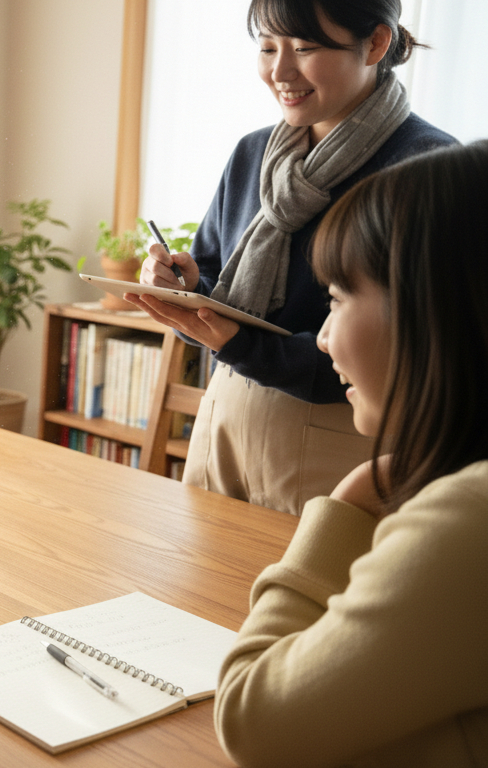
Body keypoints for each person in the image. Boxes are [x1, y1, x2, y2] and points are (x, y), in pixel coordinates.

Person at [214, 141, 488, 766]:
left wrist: (344, 508)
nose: (326, 337)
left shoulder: (471, 518)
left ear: (432, 309)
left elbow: (252, 719)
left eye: (337, 298)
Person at [129, 0, 455, 516]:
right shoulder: (253, 154)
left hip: (340, 439)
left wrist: (238, 343)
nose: (279, 71)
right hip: (226, 415)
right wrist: (186, 288)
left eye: (303, 48)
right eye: (266, 47)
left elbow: (411, 356)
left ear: (375, 43)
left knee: (311, 593)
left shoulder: (426, 173)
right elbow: (216, 278)